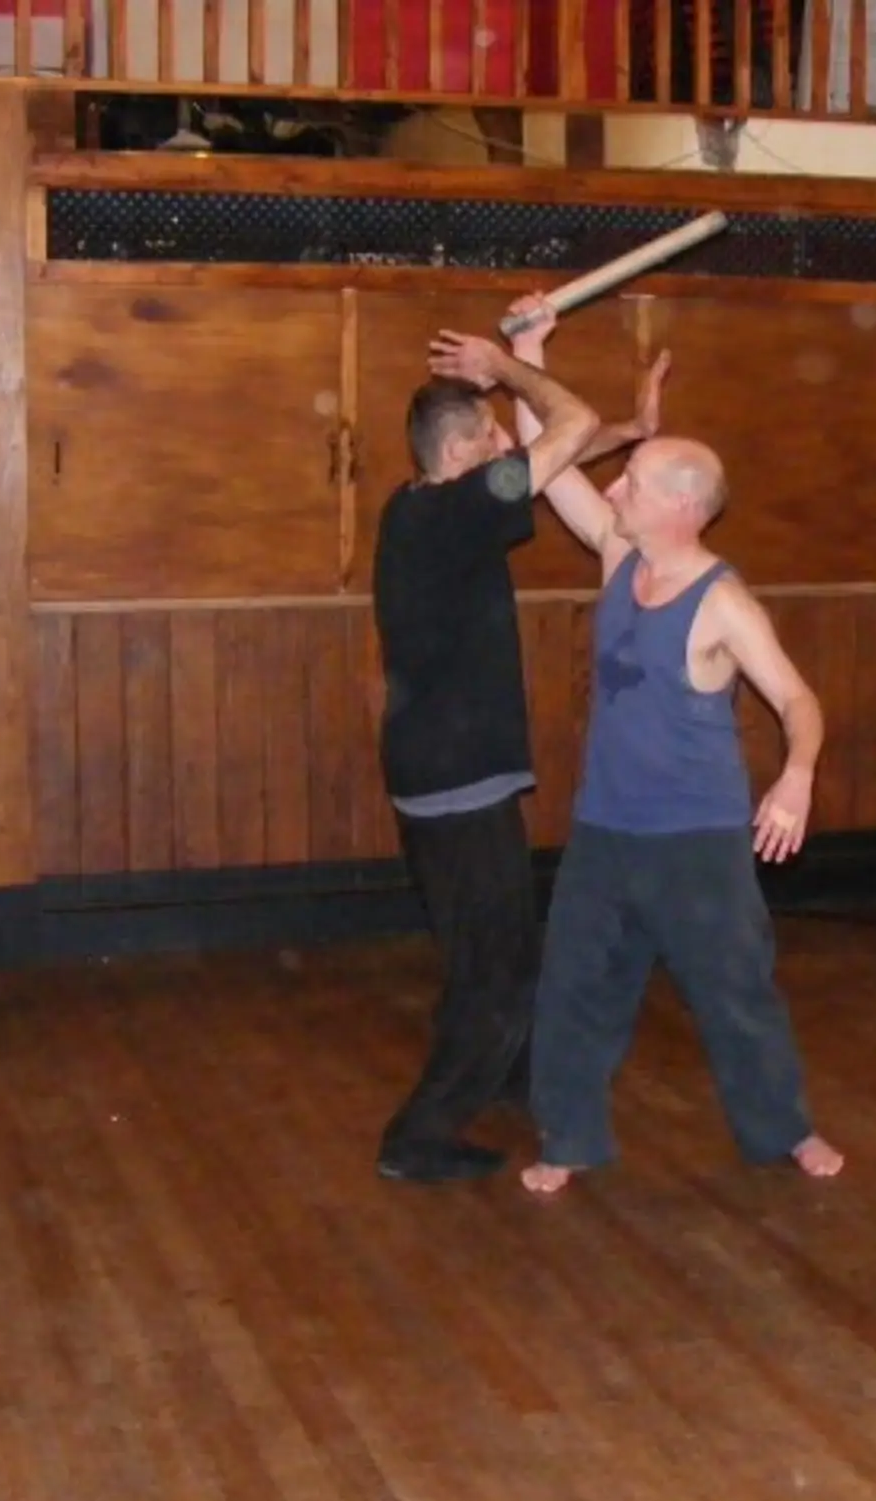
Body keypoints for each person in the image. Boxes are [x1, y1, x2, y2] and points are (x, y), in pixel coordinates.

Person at [428, 295, 844, 1197]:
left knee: (737, 997)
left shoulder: (723, 602)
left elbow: (797, 698)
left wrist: (798, 777)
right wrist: (533, 351)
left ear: (683, 508)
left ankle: (785, 1132)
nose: (614, 490)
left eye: (637, 483)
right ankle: (570, 1138)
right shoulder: (621, 555)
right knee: (575, 993)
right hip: (606, 833)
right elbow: (561, 457)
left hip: (699, 839)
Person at [370, 318, 662, 1183]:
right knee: (495, 973)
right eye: (495, 436)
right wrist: (508, 366)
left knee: (485, 951)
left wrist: (634, 436)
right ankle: (420, 1134)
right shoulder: (458, 513)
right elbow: (563, 428)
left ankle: (517, 1082)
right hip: (459, 781)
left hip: (437, 773)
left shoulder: (420, 509)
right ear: (464, 452)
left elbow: (565, 451)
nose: (508, 447)